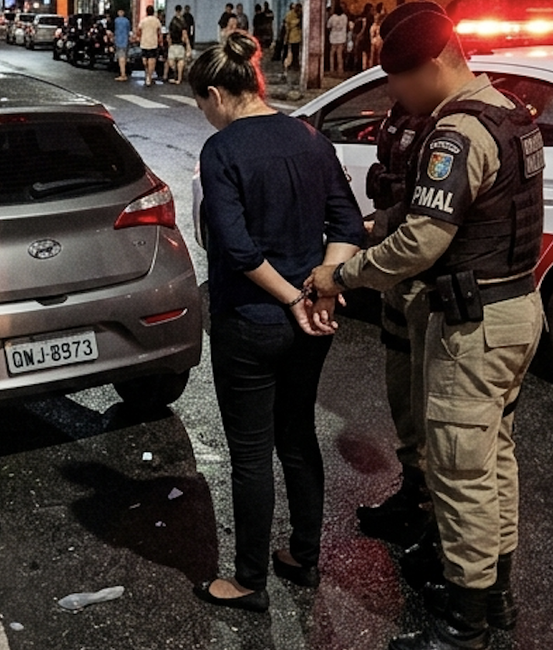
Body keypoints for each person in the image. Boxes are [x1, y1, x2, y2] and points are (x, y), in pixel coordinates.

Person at [306, 3, 545, 648]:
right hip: (514, 313)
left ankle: (462, 629)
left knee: (460, 473)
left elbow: (419, 245)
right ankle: (494, 598)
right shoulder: (512, 114)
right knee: (493, 460)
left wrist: (345, 274)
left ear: (438, 61)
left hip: (473, 328)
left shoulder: (456, 135)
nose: (397, 93)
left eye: (402, 78)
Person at [189, 31, 364, 613]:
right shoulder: (310, 137)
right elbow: (347, 227)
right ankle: (304, 558)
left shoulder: (222, 151)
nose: (206, 117)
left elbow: (236, 248)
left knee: (250, 452)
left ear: (216, 93)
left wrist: (294, 297)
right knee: (297, 437)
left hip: (252, 320)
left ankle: (247, 580)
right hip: (310, 324)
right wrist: (322, 289)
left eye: (201, 105)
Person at [356, 100, 440, 553]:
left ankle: (434, 525)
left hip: (427, 289)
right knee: (403, 397)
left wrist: (349, 271)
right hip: (397, 285)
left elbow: (428, 229)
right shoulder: (401, 111)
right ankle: (412, 497)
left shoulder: (450, 121)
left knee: (434, 415)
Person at [137, 5, 162, 87]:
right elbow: (159, 32)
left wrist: (139, 38)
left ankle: (147, 74)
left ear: (146, 12)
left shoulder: (143, 21)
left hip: (144, 42)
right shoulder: (156, 21)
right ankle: (149, 77)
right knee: (152, 60)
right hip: (153, 43)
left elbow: (139, 31)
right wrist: (160, 41)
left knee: (145, 60)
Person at [166, 5, 190, 84]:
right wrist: (188, 45)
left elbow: (169, 34)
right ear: (181, 10)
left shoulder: (172, 21)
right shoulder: (183, 21)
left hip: (173, 44)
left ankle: (175, 75)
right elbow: (185, 34)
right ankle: (179, 78)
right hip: (180, 44)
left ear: (175, 10)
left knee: (171, 61)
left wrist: (169, 44)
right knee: (180, 61)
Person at [326, 4, 349, 75]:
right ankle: (340, 69)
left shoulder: (332, 17)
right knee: (339, 55)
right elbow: (346, 26)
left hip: (333, 38)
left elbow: (328, 26)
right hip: (342, 38)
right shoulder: (344, 17)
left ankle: (332, 69)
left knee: (332, 54)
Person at [113, 8, 132, 81]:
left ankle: (123, 74)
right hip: (125, 40)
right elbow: (128, 29)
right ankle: (124, 72)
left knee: (121, 57)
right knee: (125, 57)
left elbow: (115, 30)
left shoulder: (116, 20)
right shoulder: (127, 21)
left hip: (119, 40)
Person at [282, 3, 302, 70]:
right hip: (293, 37)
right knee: (293, 52)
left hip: (295, 37)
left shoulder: (297, 15)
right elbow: (287, 27)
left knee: (295, 52)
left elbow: (288, 26)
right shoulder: (292, 15)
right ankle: (292, 64)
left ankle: (293, 64)